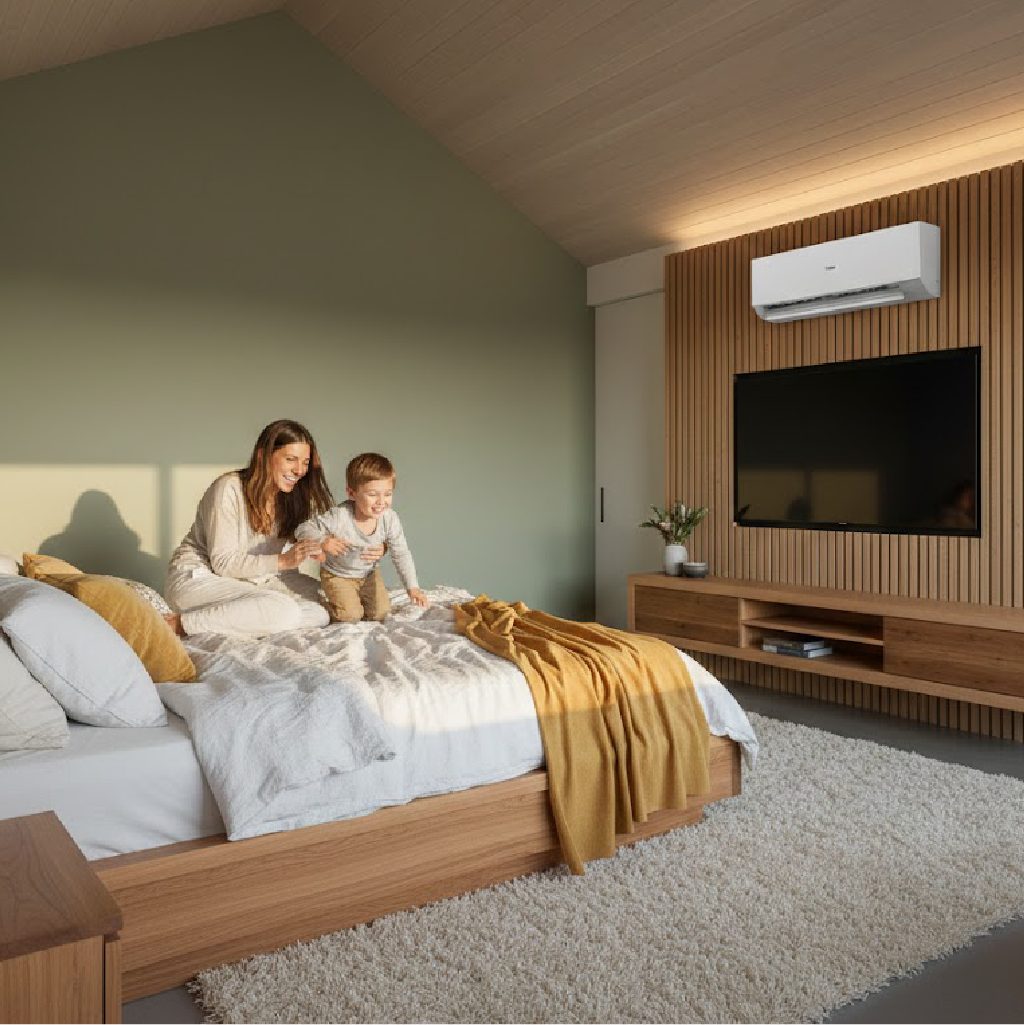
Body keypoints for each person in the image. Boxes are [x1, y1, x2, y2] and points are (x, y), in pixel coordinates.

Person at [165, 420, 354, 636]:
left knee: (325, 606)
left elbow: (298, 547)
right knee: (282, 610)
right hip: (200, 578)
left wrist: (329, 545)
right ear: (263, 456)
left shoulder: (290, 498)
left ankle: (243, 618)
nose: (299, 470)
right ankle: (179, 624)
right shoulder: (229, 488)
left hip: (255, 579)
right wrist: (284, 560)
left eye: (305, 462)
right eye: (291, 459)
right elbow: (223, 564)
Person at [295, 452, 428, 623]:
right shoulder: (340, 516)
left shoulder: (390, 519)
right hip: (338, 575)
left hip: (369, 574)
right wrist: (323, 541)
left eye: (387, 494)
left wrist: (413, 588)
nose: (381, 501)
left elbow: (401, 553)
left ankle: (354, 602)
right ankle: (324, 606)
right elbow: (302, 529)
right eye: (373, 494)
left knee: (380, 615)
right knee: (350, 616)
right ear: (352, 493)